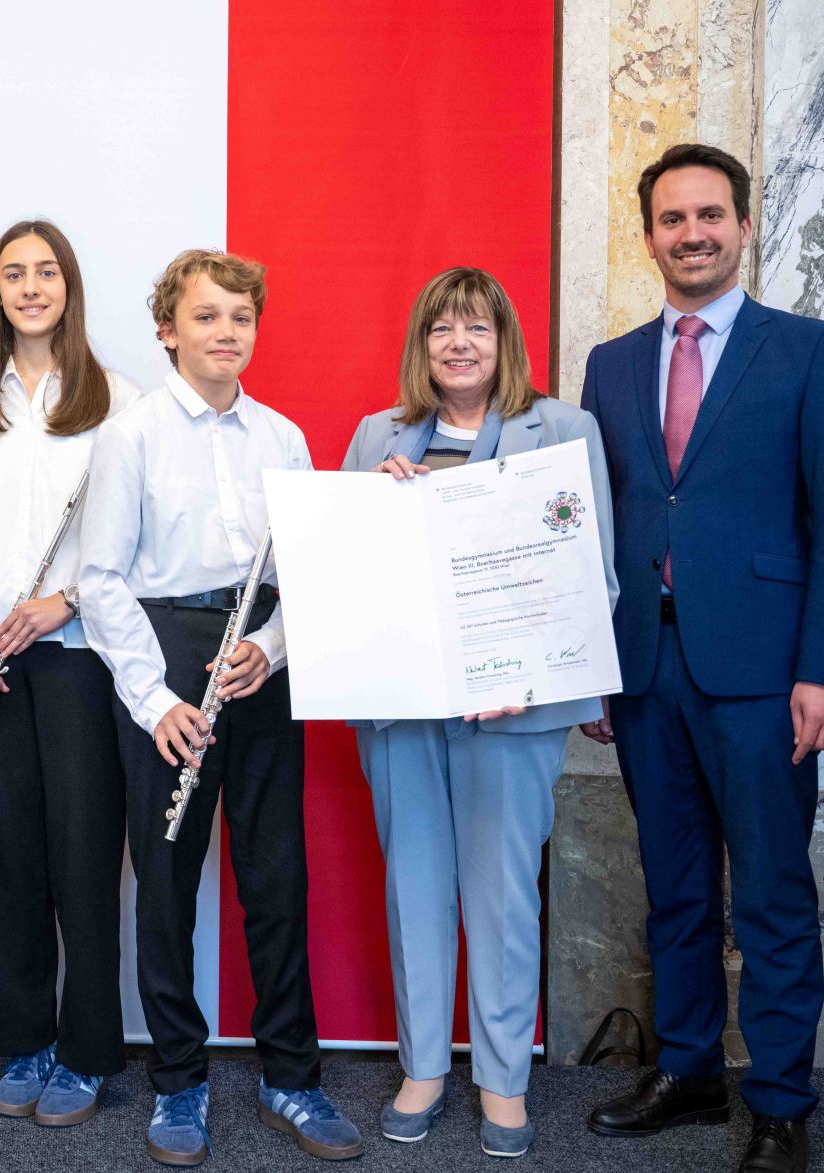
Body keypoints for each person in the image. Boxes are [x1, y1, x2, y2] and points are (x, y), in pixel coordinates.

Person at [580, 144, 824, 1173]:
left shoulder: (811, 351)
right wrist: (588, 664)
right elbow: (595, 525)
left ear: (743, 226)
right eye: (670, 219)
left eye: (708, 215)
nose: (690, 233)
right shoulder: (609, 365)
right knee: (672, 889)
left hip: (762, 675)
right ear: (647, 234)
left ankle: (781, 1099)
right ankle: (689, 1072)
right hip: (642, 671)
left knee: (769, 893)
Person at [80, 249, 361, 1166]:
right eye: (205, 317)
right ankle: (178, 1082)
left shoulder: (280, 437)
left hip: (257, 660)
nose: (225, 333)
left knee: (277, 877)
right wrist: (156, 698)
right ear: (168, 329)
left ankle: (292, 1075)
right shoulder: (129, 437)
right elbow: (100, 580)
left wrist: (270, 650)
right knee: (164, 888)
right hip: (163, 659)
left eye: (239, 318)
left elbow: (305, 574)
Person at [341, 267, 618, 1159]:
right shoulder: (375, 435)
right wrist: (374, 508)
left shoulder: (564, 429)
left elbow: (594, 578)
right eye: (440, 330)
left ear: (506, 341)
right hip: (406, 712)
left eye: (477, 328)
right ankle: (423, 1066)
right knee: (414, 887)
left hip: (515, 712)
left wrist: (536, 671)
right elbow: (347, 577)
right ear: (421, 347)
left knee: (502, 897)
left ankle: (503, 1078)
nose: (458, 344)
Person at [0, 220, 140, 1126]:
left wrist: (68, 602)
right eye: (13, 274)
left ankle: (89, 1049)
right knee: (5, 856)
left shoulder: (118, 398)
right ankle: (25, 1039)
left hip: (79, 653)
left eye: (44, 271)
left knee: (86, 857)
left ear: (69, 286)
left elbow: (134, 535)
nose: (29, 286)